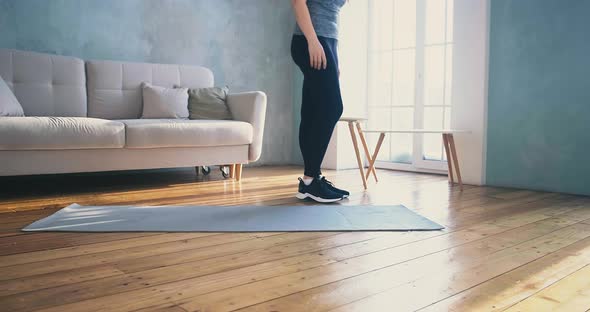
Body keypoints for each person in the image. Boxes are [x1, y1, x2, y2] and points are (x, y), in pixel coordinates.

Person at [291, 0, 350, 203]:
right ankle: (311, 179)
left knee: (312, 110)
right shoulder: (312, 40)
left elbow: (331, 14)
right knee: (332, 107)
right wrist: (312, 41)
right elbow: (298, 3)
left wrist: (335, 58)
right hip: (312, 40)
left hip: (327, 41)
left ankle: (310, 181)